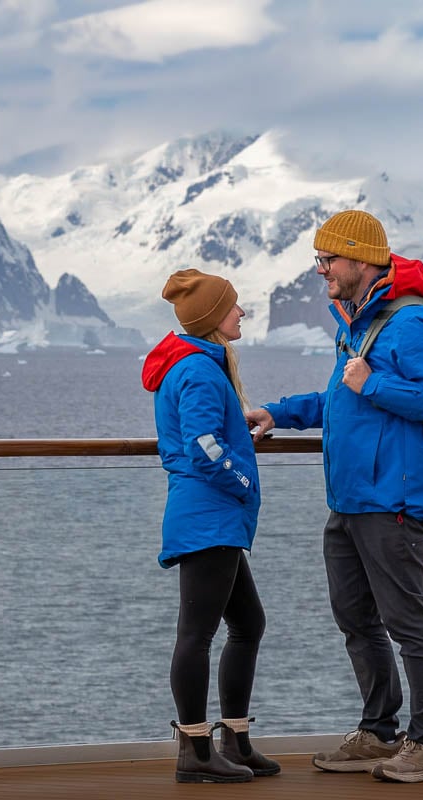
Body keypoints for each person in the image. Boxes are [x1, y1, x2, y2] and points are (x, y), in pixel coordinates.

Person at [245, 210, 423, 783]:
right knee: (355, 618)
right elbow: (339, 398)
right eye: (320, 260)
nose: (321, 271)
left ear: (362, 260)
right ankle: (379, 732)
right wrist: (278, 413)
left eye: (329, 260)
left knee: (407, 622)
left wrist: (376, 383)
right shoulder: (360, 321)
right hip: (350, 501)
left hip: (393, 500)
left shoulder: (411, 322)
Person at [141, 268, 280, 784]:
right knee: (196, 635)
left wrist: (237, 434)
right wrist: (243, 478)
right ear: (210, 319)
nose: (241, 312)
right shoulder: (199, 371)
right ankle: (195, 752)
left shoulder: (195, 363)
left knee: (248, 625)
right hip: (209, 515)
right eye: (234, 306)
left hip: (210, 514)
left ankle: (234, 740)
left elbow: (205, 434)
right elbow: (202, 448)